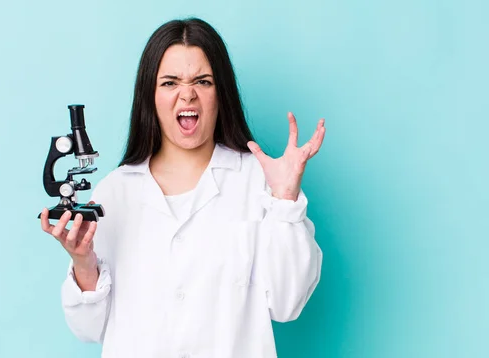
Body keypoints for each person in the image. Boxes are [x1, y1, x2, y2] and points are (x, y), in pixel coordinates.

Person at [40, 17, 326, 358]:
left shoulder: (260, 181)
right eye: (170, 82)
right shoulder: (115, 193)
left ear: (222, 93)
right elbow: (89, 330)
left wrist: (286, 202)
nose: (187, 94)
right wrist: (83, 264)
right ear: (150, 95)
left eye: (203, 81)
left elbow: (287, 303)